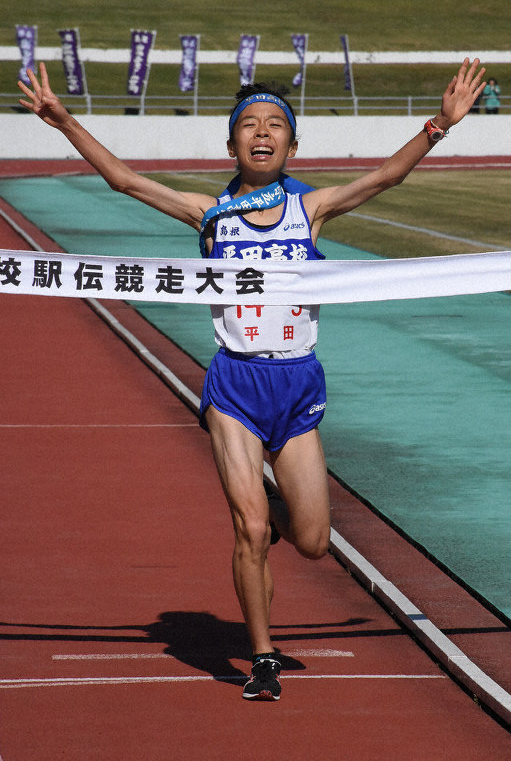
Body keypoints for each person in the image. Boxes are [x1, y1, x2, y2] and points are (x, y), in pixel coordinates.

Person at [17, 58, 486, 702]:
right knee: (249, 528)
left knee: (316, 541)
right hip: (235, 387)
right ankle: (261, 658)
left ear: (292, 144)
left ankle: (269, 520)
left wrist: (441, 125)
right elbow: (124, 180)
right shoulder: (210, 214)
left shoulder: (310, 209)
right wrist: (65, 121)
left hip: (298, 388)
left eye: (274, 125)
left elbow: (385, 177)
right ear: (231, 142)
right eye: (248, 125)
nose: (261, 133)